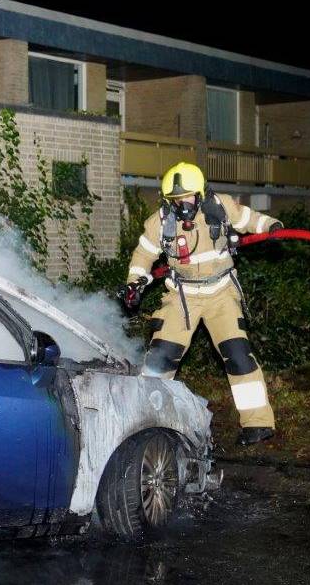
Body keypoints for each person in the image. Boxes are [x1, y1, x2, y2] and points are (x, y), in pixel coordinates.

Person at [118, 162, 283, 446]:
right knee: (161, 357)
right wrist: (135, 282)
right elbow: (143, 255)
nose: (183, 205)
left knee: (238, 356)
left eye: (188, 198)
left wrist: (271, 227)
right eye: (176, 200)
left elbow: (248, 219)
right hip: (181, 298)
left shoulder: (220, 207)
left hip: (221, 295)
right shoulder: (160, 222)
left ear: (201, 193)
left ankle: (258, 423)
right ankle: (141, 420)